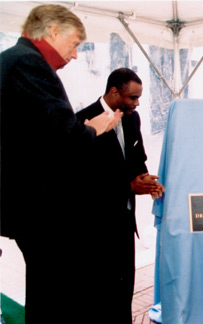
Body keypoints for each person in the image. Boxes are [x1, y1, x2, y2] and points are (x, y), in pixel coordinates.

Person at [0, 5, 120, 323]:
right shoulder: (28, 62)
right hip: (41, 208)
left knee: (48, 289)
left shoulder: (10, 61)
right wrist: (95, 127)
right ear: (53, 32)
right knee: (54, 294)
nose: (76, 55)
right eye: (75, 43)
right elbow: (60, 134)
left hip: (28, 204)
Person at [76, 67, 165, 323]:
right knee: (98, 295)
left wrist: (144, 179)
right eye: (132, 98)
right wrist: (128, 187)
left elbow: (137, 159)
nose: (137, 104)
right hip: (94, 227)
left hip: (125, 223)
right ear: (115, 92)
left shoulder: (132, 119)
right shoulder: (82, 122)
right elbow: (81, 181)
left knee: (123, 291)